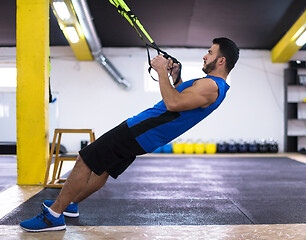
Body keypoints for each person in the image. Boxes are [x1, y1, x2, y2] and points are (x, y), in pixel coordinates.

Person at [20, 37, 239, 232]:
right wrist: (176, 77)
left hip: (140, 130)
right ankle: (70, 204)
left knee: (85, 159)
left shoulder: (211, 85)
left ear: (221, 60)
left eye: (210, 52)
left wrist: (162, 71)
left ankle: (53, 217)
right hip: (146, 136)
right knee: (103, 169)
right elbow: (184, 100)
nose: (205, 55)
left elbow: (173, 103)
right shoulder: (215, 87)